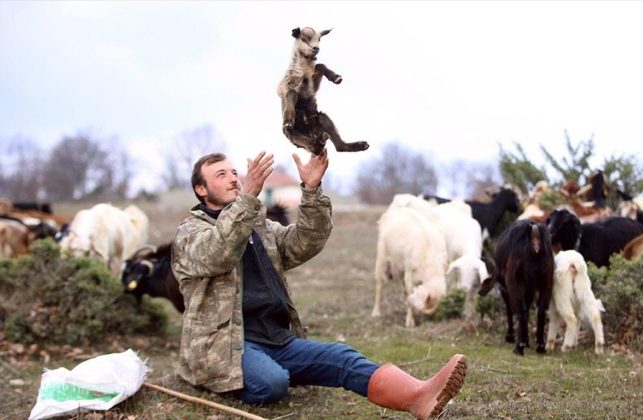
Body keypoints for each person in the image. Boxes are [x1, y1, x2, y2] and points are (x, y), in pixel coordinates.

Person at [171, 149, 467, 419]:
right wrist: (247, 200)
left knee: (342, 357)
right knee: (273, 383)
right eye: (221, 175)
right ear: (201, 189)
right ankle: (216, 376)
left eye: (235, 172)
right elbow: (217, 253)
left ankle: (418, 396)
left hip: (277, 338)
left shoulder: (256, 224)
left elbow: (303, 243)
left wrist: (311, 192)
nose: (234, 179)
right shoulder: (190, 233)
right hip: (227, 347)